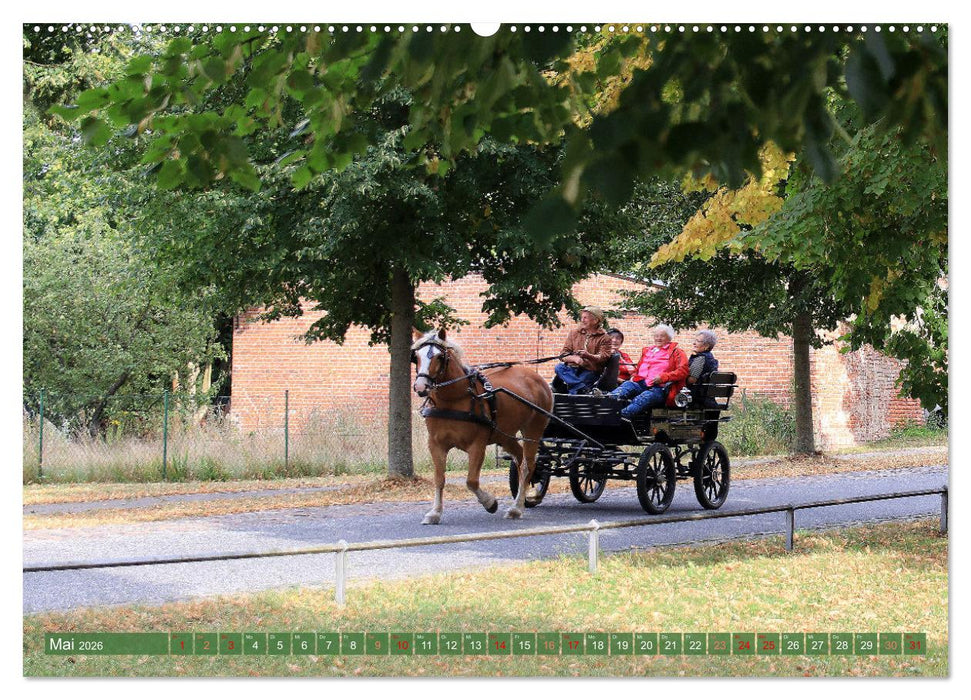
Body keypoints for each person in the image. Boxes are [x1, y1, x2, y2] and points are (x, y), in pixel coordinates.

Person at [606, 324, 689, 418]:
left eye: (662, 336)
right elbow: (639, 368)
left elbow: (683, 371)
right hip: (641, 383)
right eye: (656, 336)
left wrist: (663, 377)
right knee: (625, 387)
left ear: (669, 338)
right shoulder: (649, 351)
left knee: (643, 398)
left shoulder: (677, 352)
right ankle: (603, 408)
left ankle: (618, 418)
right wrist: (634, 376)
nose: (658, 338)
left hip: (660, 388)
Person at [552, 306, 613, 394]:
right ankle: (582, 388)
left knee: (574, 392)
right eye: (582, 317)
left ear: (595, 321)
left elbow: (604, 357)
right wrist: (575, 359)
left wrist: (588, 356)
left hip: (591, 370)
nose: (582, 320)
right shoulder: (574, 333)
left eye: (585, 318)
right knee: (559, 367)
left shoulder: (604, 337)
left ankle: (577, 390)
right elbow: (563, 354)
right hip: (571, 369)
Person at [686, 329, 719, 405]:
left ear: (706, 346)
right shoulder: (711, 359)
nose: (694, 343)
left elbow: (692, 380)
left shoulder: (700, 359)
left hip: (697, 399)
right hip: (708, 399)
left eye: (697, 341)